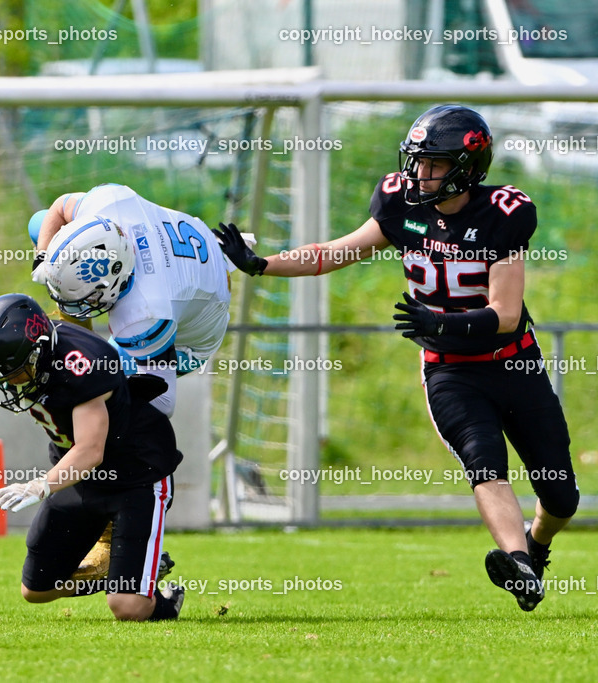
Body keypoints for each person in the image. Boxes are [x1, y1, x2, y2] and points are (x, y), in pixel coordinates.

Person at [215, 104, 578, 611]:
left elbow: (508, 314)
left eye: (434, 164)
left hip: (512, 361)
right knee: (484, 461)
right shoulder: (399, 205)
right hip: (450, 371)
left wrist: (442, 323)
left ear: (468, 166)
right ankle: (517, 563)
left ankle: (535, 549)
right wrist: (262, 265)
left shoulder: (502, 214)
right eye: (417, 161)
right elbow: (333, 252)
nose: (420, 173)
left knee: (561, 495)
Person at [0, 293, 185, 621]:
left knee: (127, 606)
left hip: (136, 475)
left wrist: (39, 486)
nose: (8, 385)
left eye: (14, 373)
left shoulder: (82, 364)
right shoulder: (10, 351)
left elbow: (90, 451)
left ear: (39, 352)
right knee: (37, 589)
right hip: (78, 476)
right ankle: (127, 571)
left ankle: (160, 598)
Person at [31, 183, 233, 418]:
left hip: (193, 341)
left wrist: (106, 406)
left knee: (92, 380)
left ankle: (81, 360)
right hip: (200, 254)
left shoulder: (142, 315)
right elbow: (59, 208)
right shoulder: (105, 202)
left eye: (84, 297)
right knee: (41, 223)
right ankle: (78, 347)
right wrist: (43, 257)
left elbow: (164, 402)